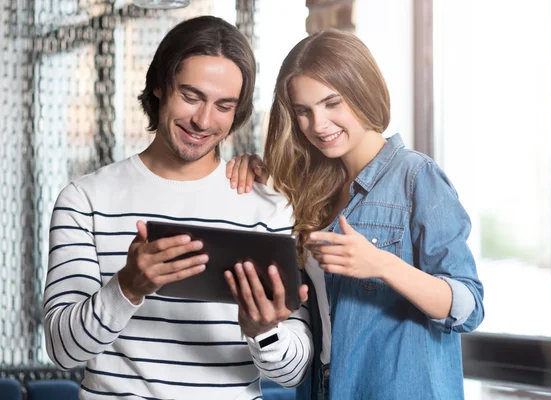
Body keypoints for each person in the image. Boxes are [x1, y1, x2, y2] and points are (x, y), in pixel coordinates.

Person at [43, 16, 312, 399]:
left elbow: (294, 372)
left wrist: (263, 331)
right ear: (158, 86)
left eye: (223, 105)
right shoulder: (85, 200)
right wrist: (127, 287)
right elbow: (63, 351)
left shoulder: (267, 207)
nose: (203, 120)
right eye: (191, 96)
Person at [226, 29, 484, 399]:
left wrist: (381, 264)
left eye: (333, 103)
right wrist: (256, 169)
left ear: (362, 90)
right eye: (304, 111)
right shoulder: (312, 191)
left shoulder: (416, 177)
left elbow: (468, 306)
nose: (318, 124)